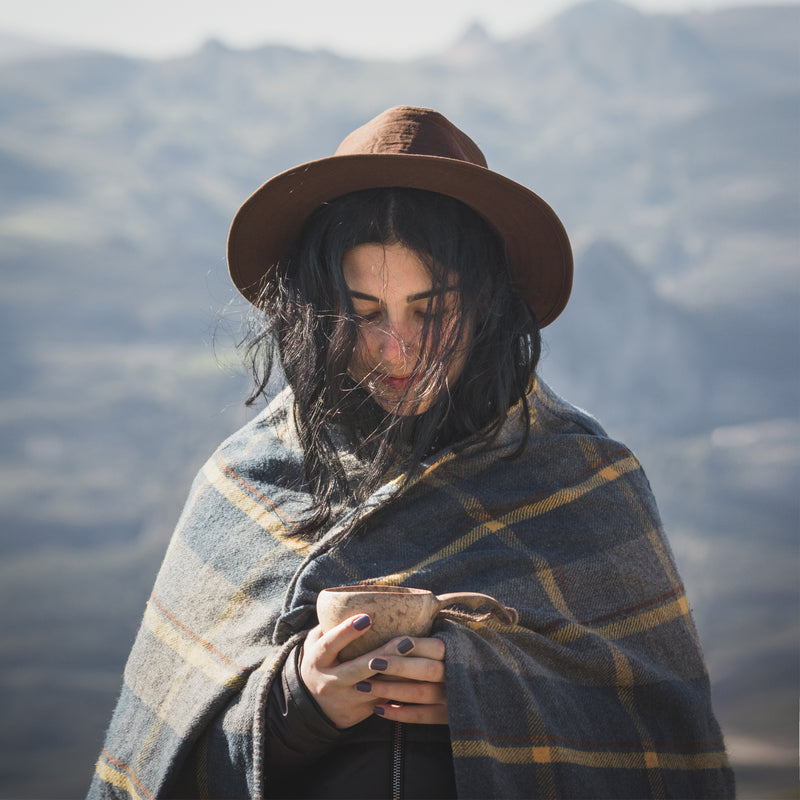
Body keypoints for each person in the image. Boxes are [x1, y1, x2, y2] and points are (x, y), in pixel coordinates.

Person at [89, 106, 734, 799]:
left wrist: (485, 693)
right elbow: (151, 759)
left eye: (432, 310)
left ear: (488, 305)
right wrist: (292, 708)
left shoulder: (586, 482)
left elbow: (667, 746)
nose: (396, 350)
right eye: (364, 312)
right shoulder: (246, 484)